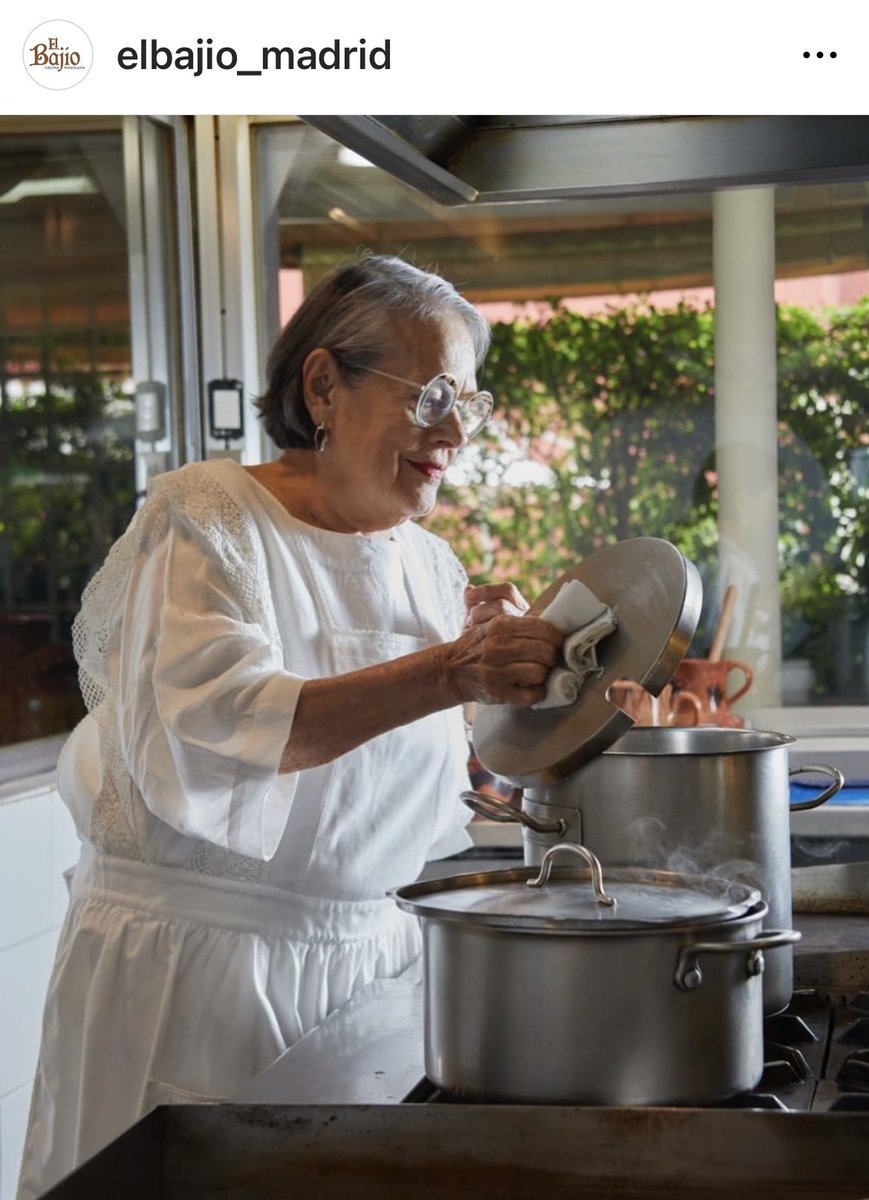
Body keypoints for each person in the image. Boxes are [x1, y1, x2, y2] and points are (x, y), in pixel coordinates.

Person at [17, 254, 563, 1199]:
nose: (452, 433)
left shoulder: (426, 564)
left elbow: (415, 776)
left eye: (467, 405)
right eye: (431, 393)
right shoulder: (207, 516)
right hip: (200, 973)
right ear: (323, 383)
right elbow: (225, 721)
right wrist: (450, 670)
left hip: (370, 970)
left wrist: (509, 687)